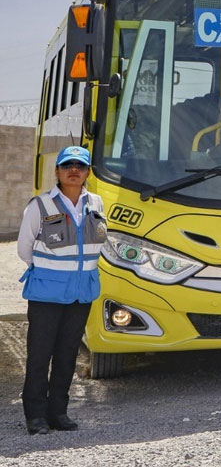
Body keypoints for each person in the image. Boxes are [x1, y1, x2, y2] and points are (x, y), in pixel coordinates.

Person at [17, 145, 107, 434]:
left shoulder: (96, 203)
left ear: (88, 172)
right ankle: (36, 416)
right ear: (57, 171)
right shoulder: (40, 205)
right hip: (47, 294)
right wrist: (49, 272)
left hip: (81, 294)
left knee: (67, 355)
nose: (73, 170)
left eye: (80, 166)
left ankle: (58, 412)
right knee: (39, 356)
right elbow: (24, 249)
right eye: (67, 165)